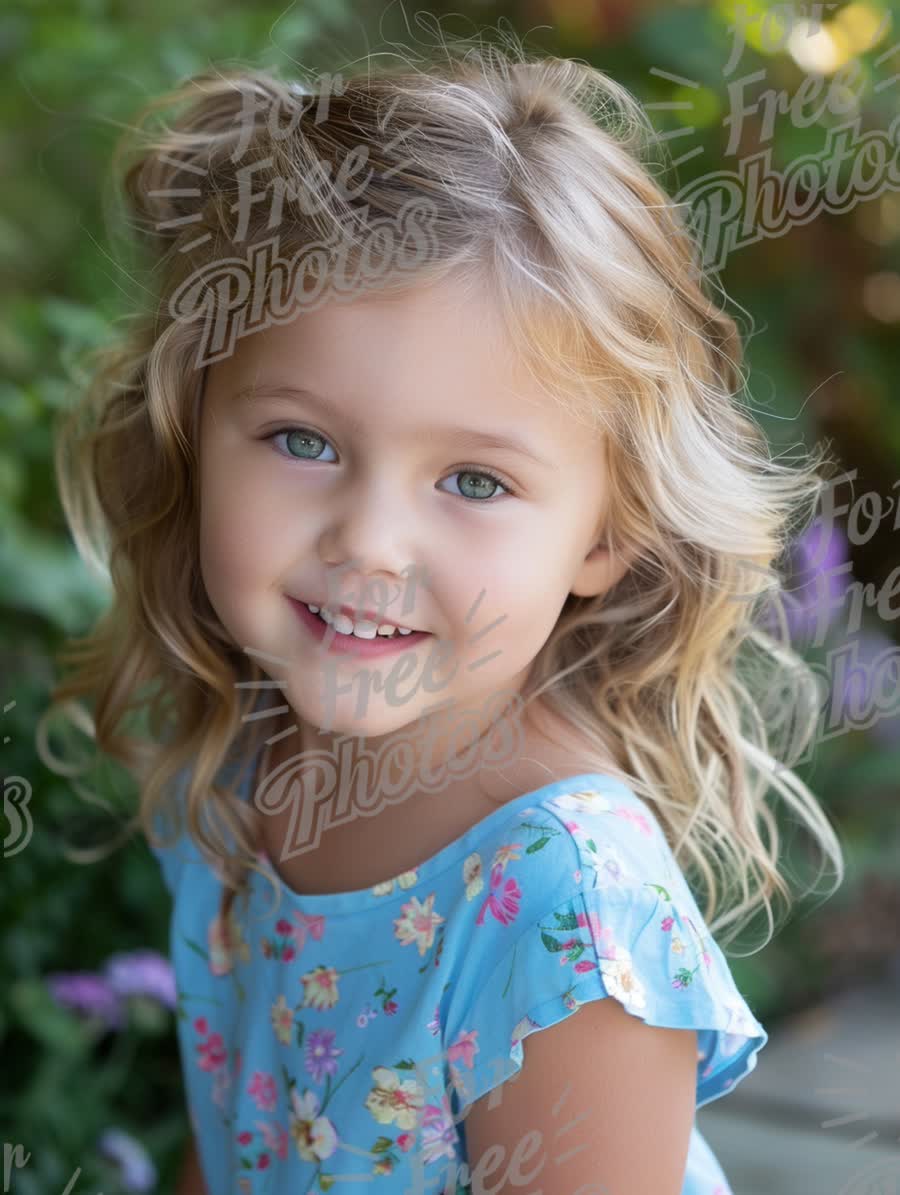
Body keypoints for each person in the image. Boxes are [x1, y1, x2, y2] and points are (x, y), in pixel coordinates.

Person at [41, 34, 846, 1195]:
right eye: (302, 441)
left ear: (606, 533)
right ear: (190, 429)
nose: (368, 540)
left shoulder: (567, 918)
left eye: (474, 481)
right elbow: (244, 1135)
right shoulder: (242, 759)